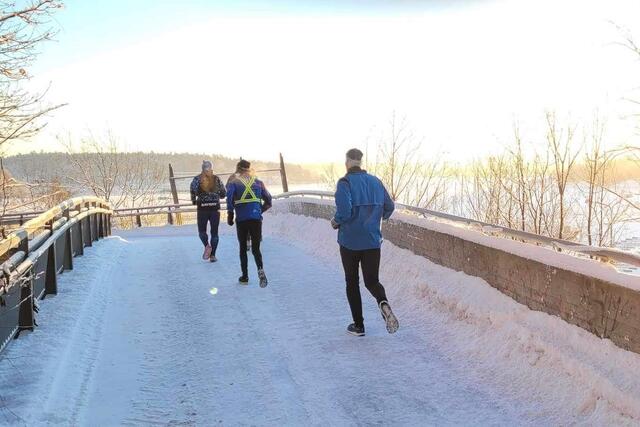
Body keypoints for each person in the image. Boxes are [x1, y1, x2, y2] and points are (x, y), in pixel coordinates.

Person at [331, 148, 399, 336]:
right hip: (372, 241)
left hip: (350, 242)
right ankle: (382, 302)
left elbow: (344, 212)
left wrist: (335, 222)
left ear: (347, 162)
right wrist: (377, 217)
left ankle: (359, 326)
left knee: (352, 282)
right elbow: (390, 207)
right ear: (361, 162)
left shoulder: (345, 183)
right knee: (372, 281)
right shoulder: (376, 182)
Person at [226, 159, 272, 286]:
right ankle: (260, 270)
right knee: (256, 249)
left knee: (242, 248)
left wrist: (230, 214)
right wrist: (258, 211)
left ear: (238, 169)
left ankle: (245, 277)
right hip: (256, 220)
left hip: (241, 220)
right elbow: (269, 200)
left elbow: (229, 197)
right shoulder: (258, 182)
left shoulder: (233, 182)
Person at [190, 160, 226, 262]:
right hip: (215, 209)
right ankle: (213, 255)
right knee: (214, 233)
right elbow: (223, 194)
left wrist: (194, 201)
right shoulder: (217, 179)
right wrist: (217, 195)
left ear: (202, 168)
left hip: (202, 209)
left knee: (202, 231)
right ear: (211, 168)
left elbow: (193, 192)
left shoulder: (197, 179)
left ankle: (207, 246)